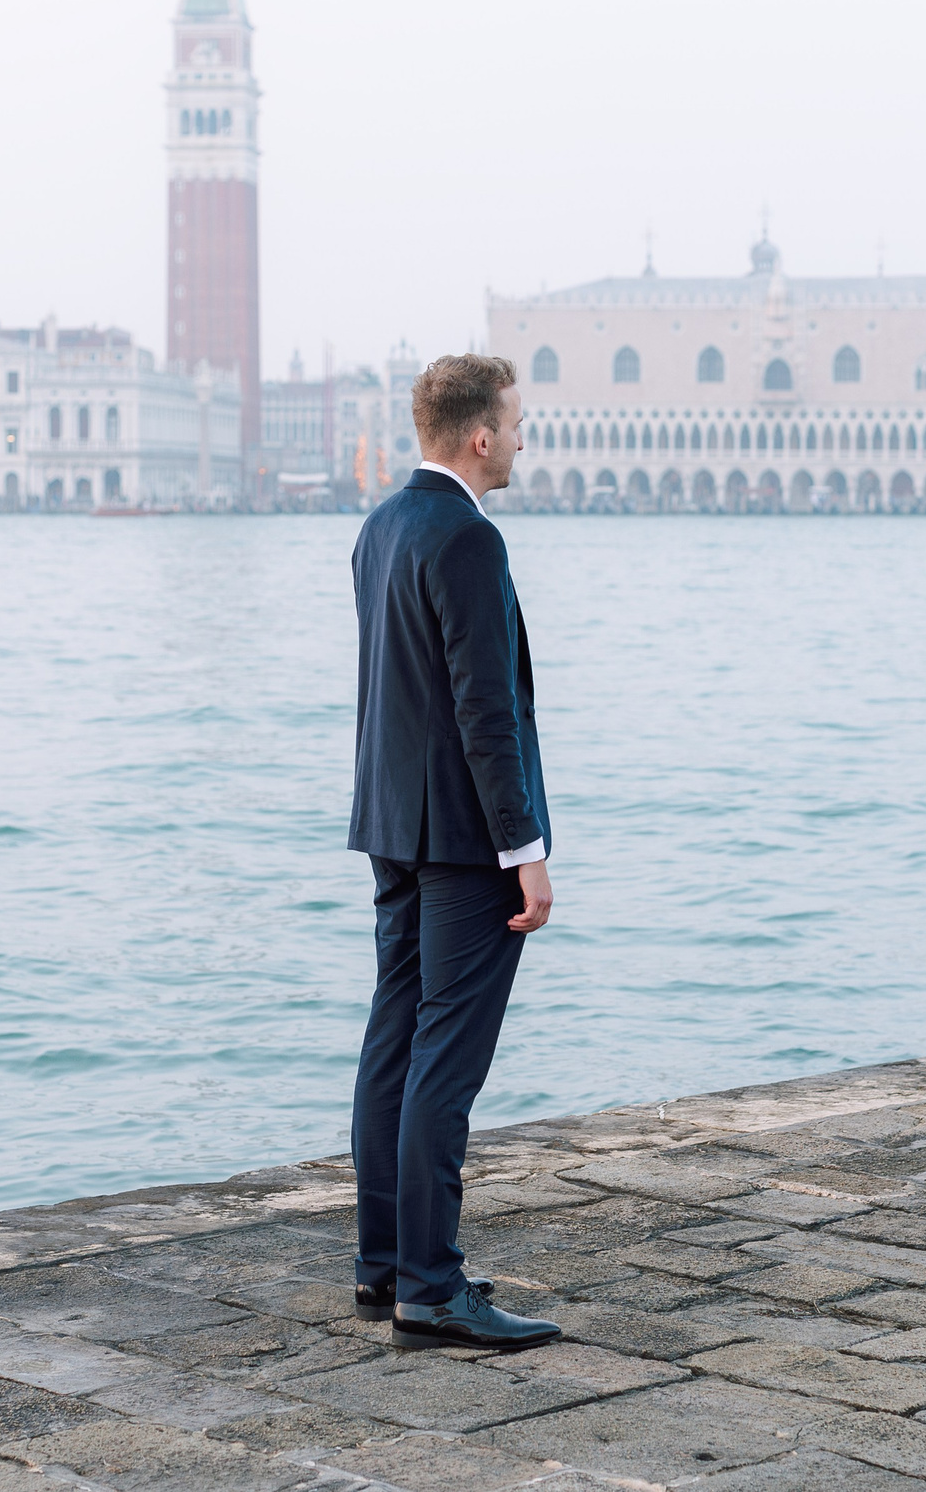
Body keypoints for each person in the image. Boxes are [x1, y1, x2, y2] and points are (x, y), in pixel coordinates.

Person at [345, 353, 562, 1351]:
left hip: (392, 819)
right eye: (515, 422)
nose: (521, 437)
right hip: (467, 835)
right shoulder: (468, 539)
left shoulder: (380, 525)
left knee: (395, 1036)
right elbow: (483, 708)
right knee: (445, 1054)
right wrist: (524, 845)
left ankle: (386, 1259)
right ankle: (430, 1285)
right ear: (480, 435)